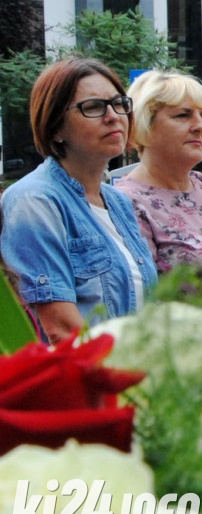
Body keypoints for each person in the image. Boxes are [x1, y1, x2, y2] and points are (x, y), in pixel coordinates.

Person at [0, 57, 158, 343]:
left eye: (119, 103)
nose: (113, 116)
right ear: (55, 127)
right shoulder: (34, 201)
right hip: (88, 380)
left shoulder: (117, 201)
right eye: (94, 107)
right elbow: (60, 329)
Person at [115, 70, 202, 274]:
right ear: (144, 124)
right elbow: (139, 292)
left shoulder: (200, 184)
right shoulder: (126, 201)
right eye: (183, 115)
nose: (200, 127)